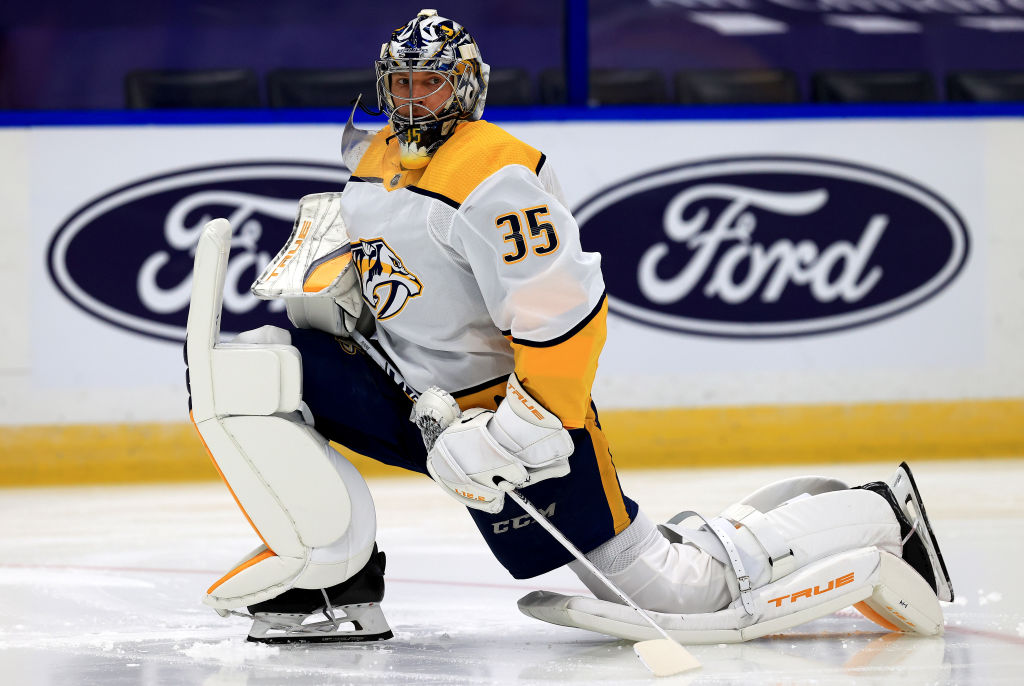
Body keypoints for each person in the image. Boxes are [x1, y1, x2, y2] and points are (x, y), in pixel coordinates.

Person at [184, 9, 953, 645]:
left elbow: (566, 316)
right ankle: (335, 584)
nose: (414, 99)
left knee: (684, 597)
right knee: (263, 373)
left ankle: (875, 510)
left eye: (431, 82)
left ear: (466, 86)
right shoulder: (375, 154)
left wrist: (520, 429)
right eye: (403, 83)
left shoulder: (497, 176)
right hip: (420, 399)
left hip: (500, 416)